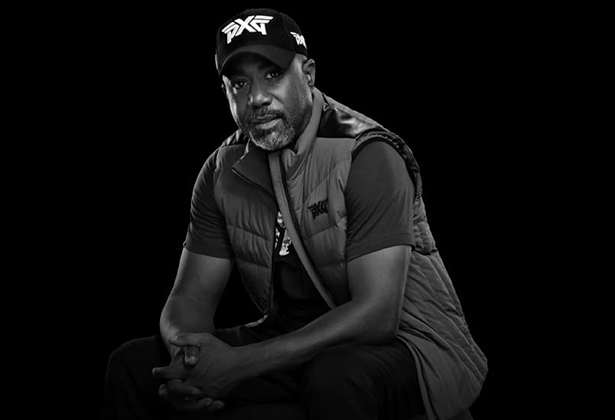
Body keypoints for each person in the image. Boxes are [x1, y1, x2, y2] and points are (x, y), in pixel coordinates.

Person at [103, 7, 488, 420]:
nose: (256, 98)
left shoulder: (367, 154)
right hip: (291, 334)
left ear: (308, 74)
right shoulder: (220, 170)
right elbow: (191, 294)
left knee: (336, 377)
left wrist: (239, 366)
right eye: (239, 84)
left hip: (411, 343)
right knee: (134, 366)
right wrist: (190, 357)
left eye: (273, 74)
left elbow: (377, 314)